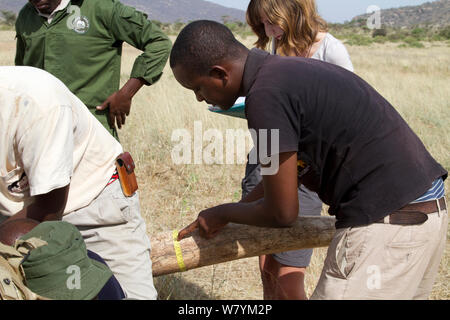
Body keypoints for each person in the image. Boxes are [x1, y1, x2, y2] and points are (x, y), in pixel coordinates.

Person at [171, 21, 448, 300]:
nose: (198, 98)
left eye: (197, 88)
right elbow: (281, 174)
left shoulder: (263, 99)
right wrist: (236, 212)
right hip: (426, 216)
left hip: (387, 230)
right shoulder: (286, 72)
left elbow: (282, 213)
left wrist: (222, 212)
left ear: (219, 74)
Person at [0, 66, 156, 300]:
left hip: (91, 205)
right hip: (13, 217)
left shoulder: (37, 103)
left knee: (125, 295)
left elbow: (48, 212)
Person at [244, 0, 353, 299]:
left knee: (289, 272)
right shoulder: (276, 46)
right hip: (265, 153)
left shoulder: (332, 50)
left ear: (293, 11)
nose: (268, 31)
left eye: (272, 22)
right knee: (265, 263)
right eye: (262, 24)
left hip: (305, 164)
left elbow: (348, 112)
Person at [15, 0, 172, 140]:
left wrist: (126, 93)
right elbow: (22, 72)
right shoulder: (26, 16)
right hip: (40, 132)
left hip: (91, 132)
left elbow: (159, 43)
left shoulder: (102, 8)